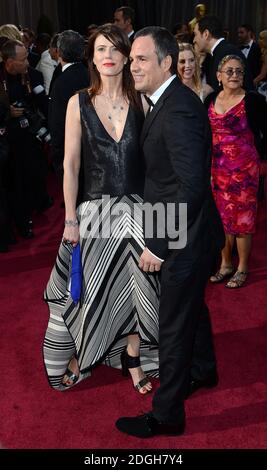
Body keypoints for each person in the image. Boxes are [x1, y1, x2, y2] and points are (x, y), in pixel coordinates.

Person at [116, 26, 224, 438]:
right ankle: (205, 370)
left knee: (173, 325)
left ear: (166, 63)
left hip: (185, 237)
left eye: (142, 59)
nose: (133, 65)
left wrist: (159, 244)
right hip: (191, 231)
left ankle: (167, 416)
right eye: (132, 59)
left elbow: (192, 186)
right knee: (193, 309)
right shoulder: (164, 100)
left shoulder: (176, 107)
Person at [43, 24, 160, 393]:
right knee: (95, 292)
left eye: (115, 49)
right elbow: (71, 165)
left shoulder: (143, 99)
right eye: (100, 50)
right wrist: (70, 219)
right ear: (92, 58)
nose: (108, 56)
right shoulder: (77, 102)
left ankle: (133, 356)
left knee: (142, 290)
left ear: (127, 56)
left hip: (139, 210)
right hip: (96, 213)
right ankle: (83, 353)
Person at [205, 55, 267, 288]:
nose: (234, 75)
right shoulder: (211, 98)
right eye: (229, 71)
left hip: (244, 171)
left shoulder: (253, 100)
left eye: (239, 71)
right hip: (217, 170)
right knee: (221, 218)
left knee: (243, 220)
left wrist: (256, 155)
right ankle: (225, 265)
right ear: (219, 76)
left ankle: (242, 267)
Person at [48, 30, 89, 180]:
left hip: (70, 152)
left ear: (59, 52)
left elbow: (58, 123)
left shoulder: (61, 82)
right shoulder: (89, 74)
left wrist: (57, 156)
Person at [193, 15, 254, 92]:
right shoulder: (219, 52)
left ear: (206, 34)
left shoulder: (226, 53)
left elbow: (232, 92)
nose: (194, 40)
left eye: (195, 34)